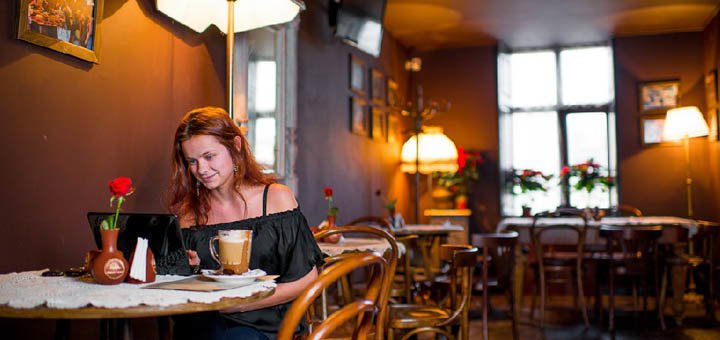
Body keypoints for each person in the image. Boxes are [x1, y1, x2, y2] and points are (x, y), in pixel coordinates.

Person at [167, 106, 323, 340]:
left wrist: (240, 305)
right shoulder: (188, 213)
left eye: (209, 157)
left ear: (235, 147)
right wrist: (188, 268)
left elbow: (307, 278)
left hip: (264, 325)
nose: (202, 170)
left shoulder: (275, 199)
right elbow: (184, 286)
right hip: (205, 321)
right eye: (192, 161)